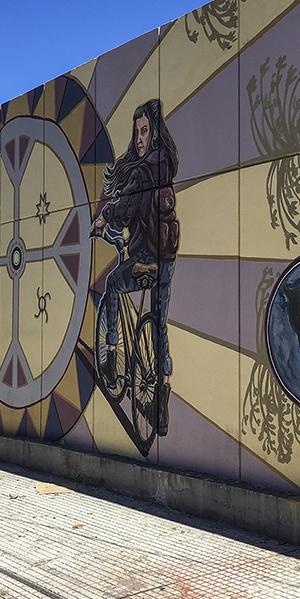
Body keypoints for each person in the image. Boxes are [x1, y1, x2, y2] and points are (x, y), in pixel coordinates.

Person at [90, 99, 179, 436]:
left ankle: (111, 356)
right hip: (168, 259)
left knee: (113, 284)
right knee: (158, 325)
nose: (140, 137)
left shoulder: (142, 173)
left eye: (145, 130)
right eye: (137, 131)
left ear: (155, 133)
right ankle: (163, 397)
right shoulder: (164, 167)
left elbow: (123, 210)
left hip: (145, 260)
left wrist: (102, 221)